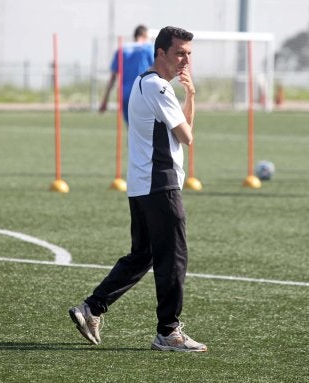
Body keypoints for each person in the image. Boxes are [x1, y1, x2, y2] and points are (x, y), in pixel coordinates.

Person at [69, 26, 207, 353]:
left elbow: (180, 131)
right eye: (179, 53)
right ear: (160, 53)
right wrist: (187, 99)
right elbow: (187, 137)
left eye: (189, 54)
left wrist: (191, 96)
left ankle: (91, 308)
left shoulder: (145, 83)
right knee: (173, 257)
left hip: (143, 185)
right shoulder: (157, 87)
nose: (185, 60)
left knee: (142, 255)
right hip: (160, 185)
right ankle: (169, 332)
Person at [99, 24, 154, 124]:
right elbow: (159, 70)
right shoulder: (147, 49)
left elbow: (112, 78)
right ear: (143, 36)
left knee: (133, 129)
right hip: (142, 93)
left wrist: (105, 100)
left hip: (124, 94)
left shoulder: (121, 50)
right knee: (146, 130)